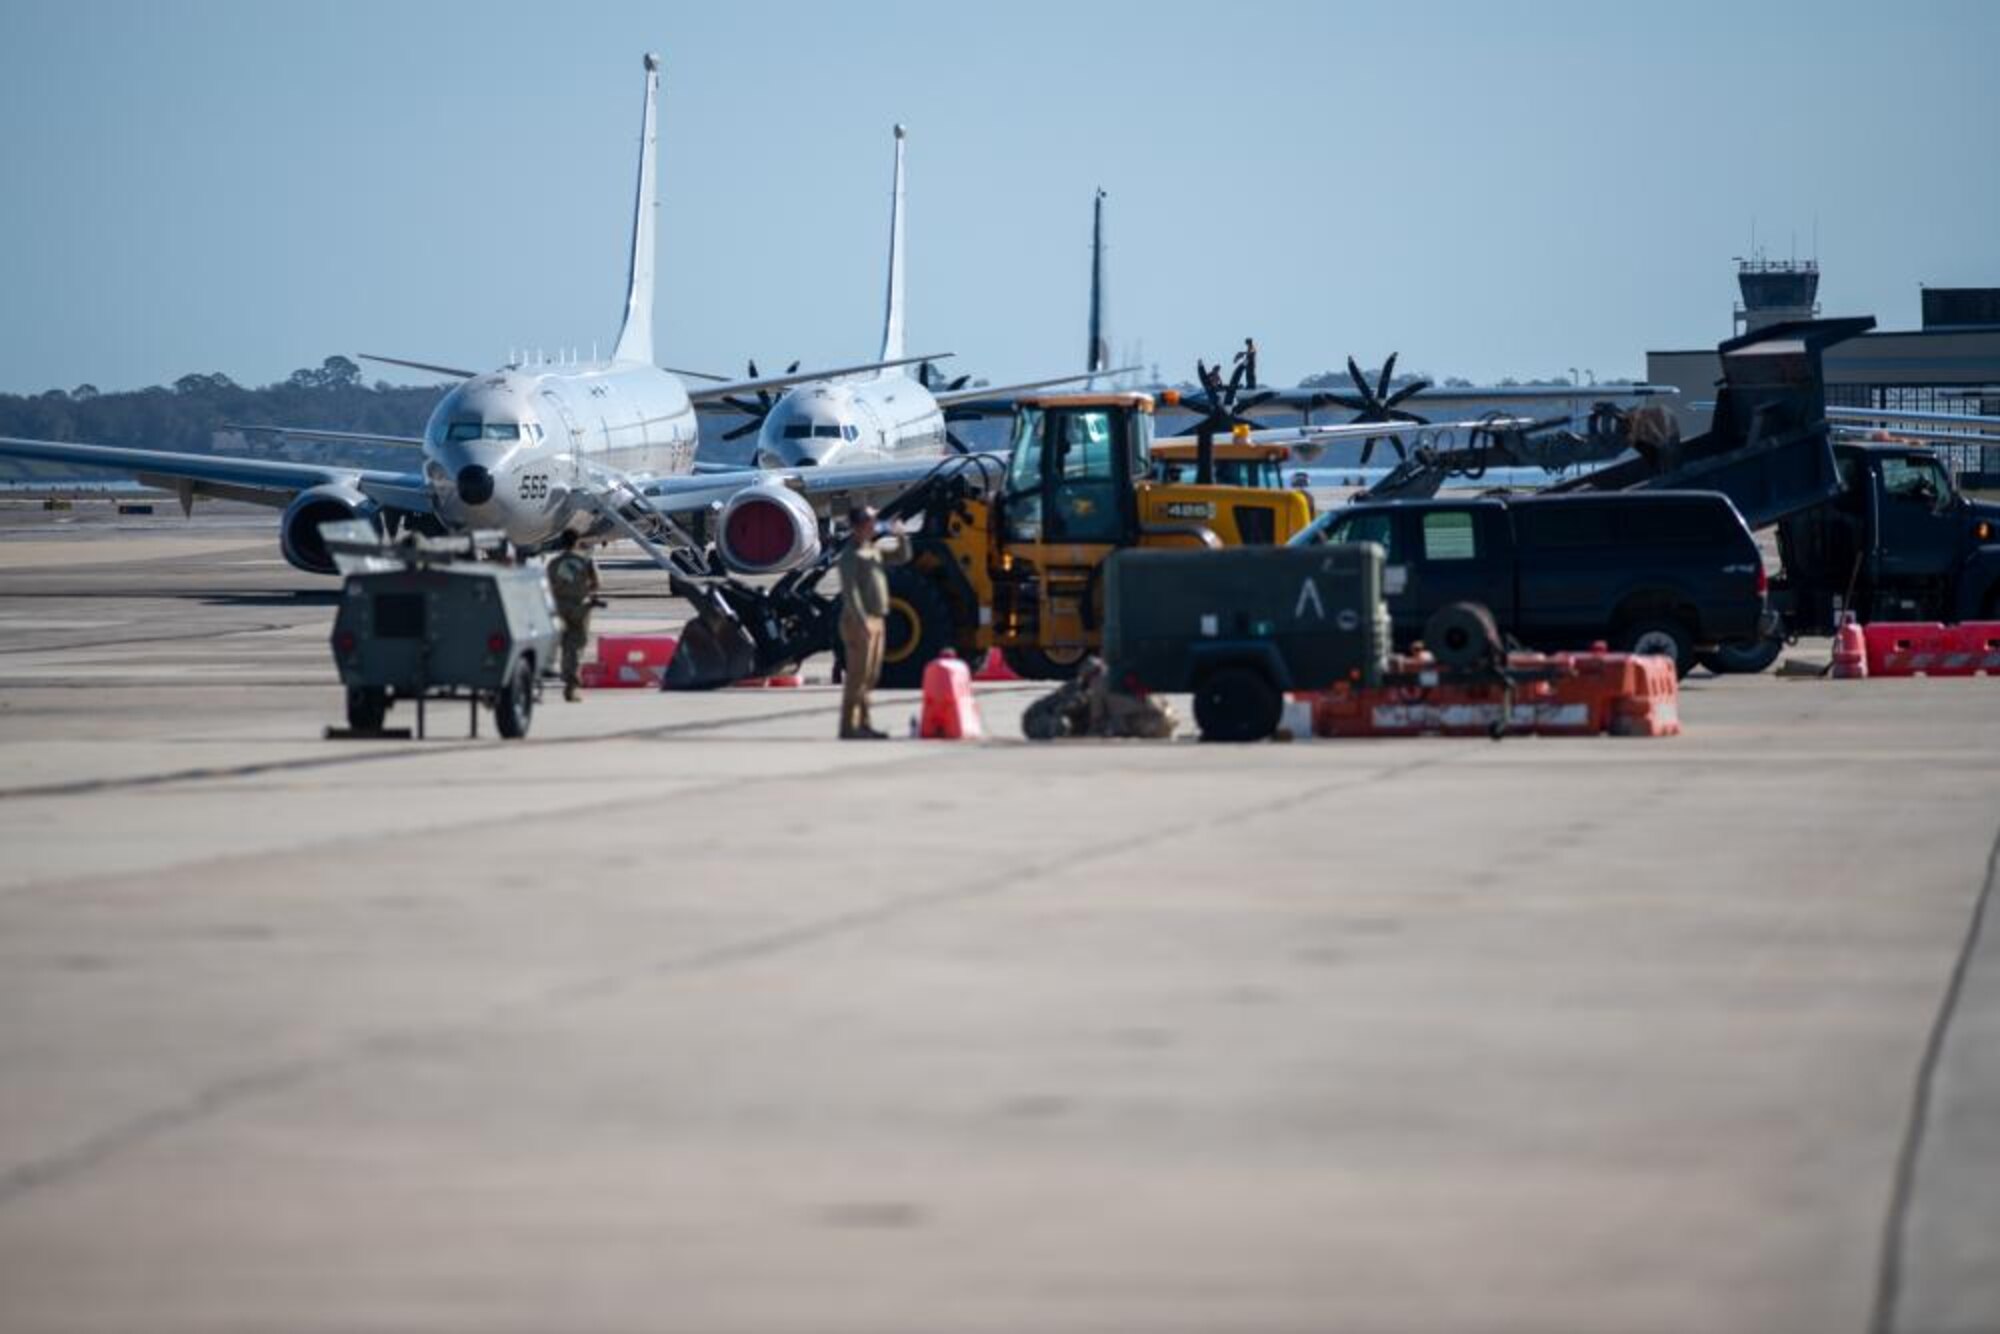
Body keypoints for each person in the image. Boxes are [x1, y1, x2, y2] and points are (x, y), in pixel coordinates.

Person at [836, 505, 909, 739]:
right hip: (860, 621)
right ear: (858, 526)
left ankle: (864, 724)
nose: (874, 525)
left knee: (870, 676)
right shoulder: (850, 556)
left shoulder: (873, 550)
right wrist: (861, 620)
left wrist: (901, 536)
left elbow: (902, 556)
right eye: (870, 521)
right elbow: (851, 592)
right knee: (857, 677)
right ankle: (849, 727)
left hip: (877, 619)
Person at [545, 530, 600, 702]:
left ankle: (564, 673)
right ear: (577, 542)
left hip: (559, 606)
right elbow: (597, 584)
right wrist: (584, 593)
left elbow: (547, 584)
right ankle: (571, 685)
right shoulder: (586, 561)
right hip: (579, 607)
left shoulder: (554, 563)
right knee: (575, 646)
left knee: (564, 643)